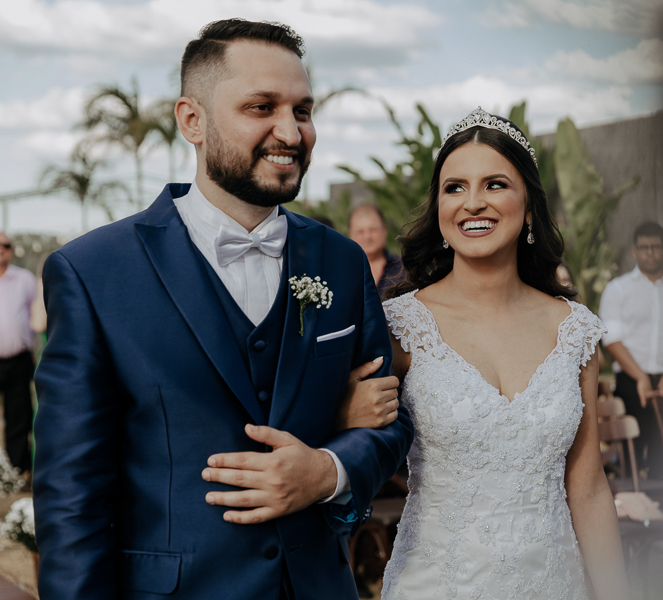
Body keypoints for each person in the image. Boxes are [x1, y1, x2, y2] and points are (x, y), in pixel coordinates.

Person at [32, 19, 413, 600]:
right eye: (261, 107)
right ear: (193, 120)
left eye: (303, 111)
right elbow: (71, 495)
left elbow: (391, 425)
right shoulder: (92, 273)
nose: (290, 131)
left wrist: (327, 470)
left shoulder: (341, 261)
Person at [342, 107, 628, 599]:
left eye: (495, 184)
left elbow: (588, 488)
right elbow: (343, 436)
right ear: (439, 207)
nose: (473, 203)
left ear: (530, 206)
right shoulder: (399, 327)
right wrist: (345, 413)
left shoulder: (575, 332)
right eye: (455, 187)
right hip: (434, 585)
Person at [599, 221, 663, 479]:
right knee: (629, 461)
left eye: (655, 247)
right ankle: (633, 515)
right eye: (644, 247)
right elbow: (611, 340)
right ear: (634, 251)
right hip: (631, 384)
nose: (650, 252)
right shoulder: (617, 289)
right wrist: (640, 377)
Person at [0, 232, 36, 480]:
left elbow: (38, 315)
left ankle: (16, 472)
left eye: (6, 245)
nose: (1, 249)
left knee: (18, 417)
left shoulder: (25, 279)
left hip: (18, 360)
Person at [348, 203, 404, 298]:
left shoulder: (404, 269)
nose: (367, 237)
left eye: (373, 230)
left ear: (385, 230)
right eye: (360, 232)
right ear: (350, 234)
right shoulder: (341, 272)